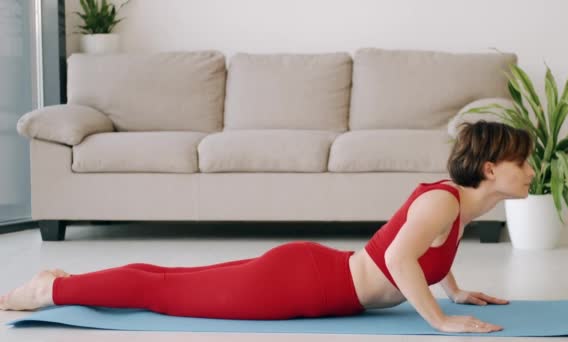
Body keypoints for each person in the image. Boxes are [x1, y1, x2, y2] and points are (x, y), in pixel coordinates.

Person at [0, 120, 535, 334]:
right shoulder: (442, 204)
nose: (533, 170)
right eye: (524, 162)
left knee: (172, 280)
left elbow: (423, 254)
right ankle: (49, 290)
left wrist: (456, 289)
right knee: (165, 291)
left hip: (314, 273)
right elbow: (398, 259)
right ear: (491, 169)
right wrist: (441, 321)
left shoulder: (462, 205)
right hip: (301, 283)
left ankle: (57, 279)